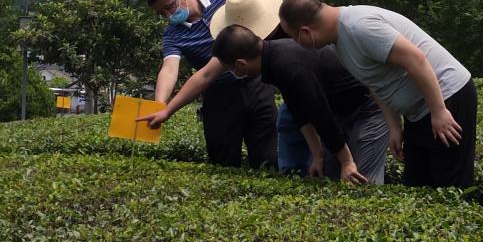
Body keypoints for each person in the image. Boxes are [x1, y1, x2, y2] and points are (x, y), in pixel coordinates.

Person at [147, 23, 392, 185]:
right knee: (329, 178)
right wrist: (316, 154)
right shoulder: (271, 59)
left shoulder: (288, 65)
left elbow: (320, 115)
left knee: (360, 182)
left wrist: (347, 161)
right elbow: (300, 111)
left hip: (366, 111)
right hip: (337, 111)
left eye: (229, 69)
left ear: (240, 66)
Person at [277, 0, 476, 188]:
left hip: (447, 97)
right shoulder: (338, 40)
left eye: (294, 38)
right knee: (418, 185)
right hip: (418, 111)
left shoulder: (360, 27)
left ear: (305, 32)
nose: (296, 44)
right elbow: (375, 82)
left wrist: (439, 111)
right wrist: (394, 126)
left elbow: (416, 59)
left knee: (450, 187)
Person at [146, 0, 276, 169]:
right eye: (161, 13)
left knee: (268, 156)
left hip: (256, 83)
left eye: (169, 7)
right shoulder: (172, 34)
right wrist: (160, 103)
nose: (167, 15)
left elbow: (248, 19)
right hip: (219, 94)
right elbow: (169, 69)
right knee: (223, 160)